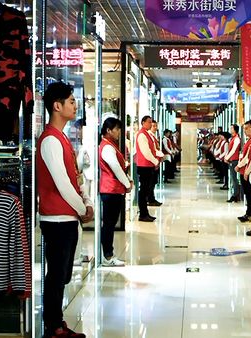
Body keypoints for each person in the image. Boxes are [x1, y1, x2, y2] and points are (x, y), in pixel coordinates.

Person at [37, 81, 92, 338]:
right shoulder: (50, 140)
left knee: (62, 274)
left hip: (66, 217)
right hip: (56, 218)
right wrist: (82, 208)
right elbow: (62, 184)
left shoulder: (61, 139)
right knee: (56, 275)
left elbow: (73, 179)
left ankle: (57, 322)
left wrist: (84, 203)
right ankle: (53, 326)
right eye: (71, 101)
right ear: (56, 106)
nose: (75, 104)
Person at [99, 117, 132, 267]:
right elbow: (117, 169)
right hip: (111, 190)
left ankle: (108, 254)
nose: (119, 132)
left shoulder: (111, 145)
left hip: (114, 190)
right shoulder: (106, 147)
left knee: (110, 224)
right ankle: (107, 255)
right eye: (117, 129)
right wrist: (127, 183)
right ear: (108, 130)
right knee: (109, 224)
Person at [135, 116, 159, 222]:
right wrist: (155, 161)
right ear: (143, 122)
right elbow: (146, 152)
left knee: (146, 190)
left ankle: (145, 213)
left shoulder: (147, 134)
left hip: (148, 166)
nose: (150, 124)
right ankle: (143, 214)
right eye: (149, 122)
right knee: (143, 191)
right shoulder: (141, 135)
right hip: (144, 166)